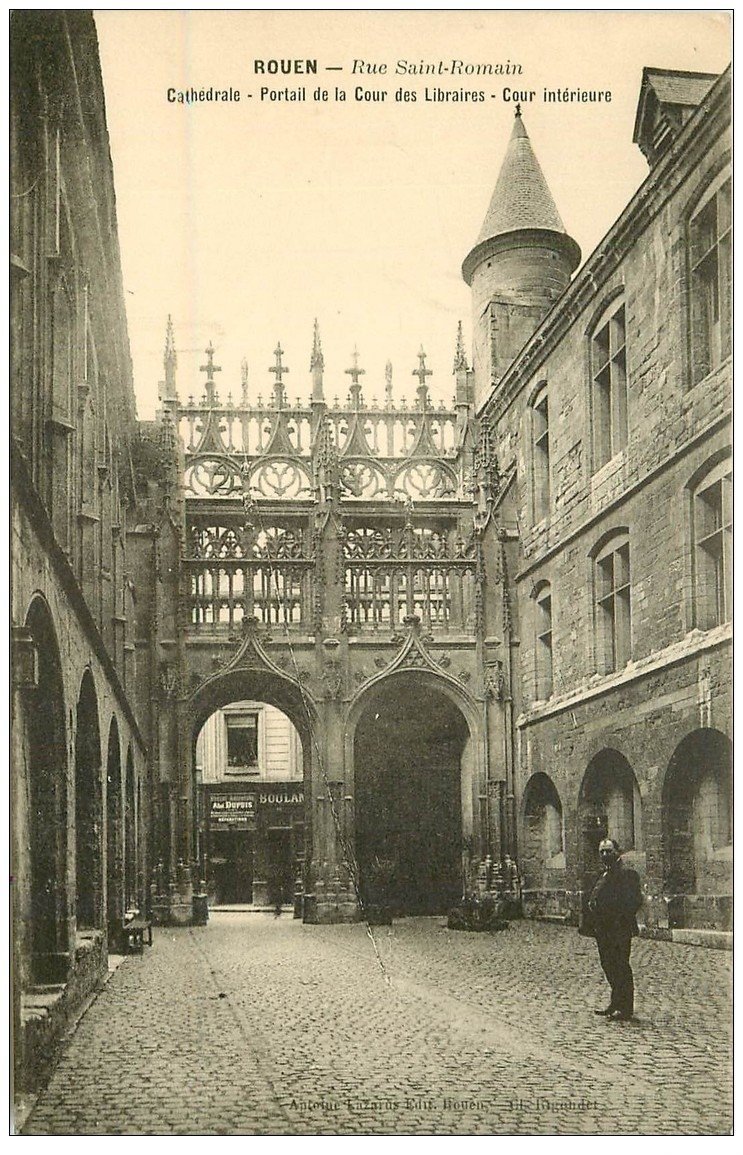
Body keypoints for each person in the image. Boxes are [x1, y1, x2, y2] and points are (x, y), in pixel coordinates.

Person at [588, 837, 643, 1022]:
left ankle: (625, 1008)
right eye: (602, 851)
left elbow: (634, 901)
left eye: (608, 851)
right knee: (608, 965)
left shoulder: (627, 874)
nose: (605, 854)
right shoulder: (603, 874)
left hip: (618, 930)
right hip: (603, 930)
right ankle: (616, 1003)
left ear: (617, 852)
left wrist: (619, 919)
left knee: (621, 966)